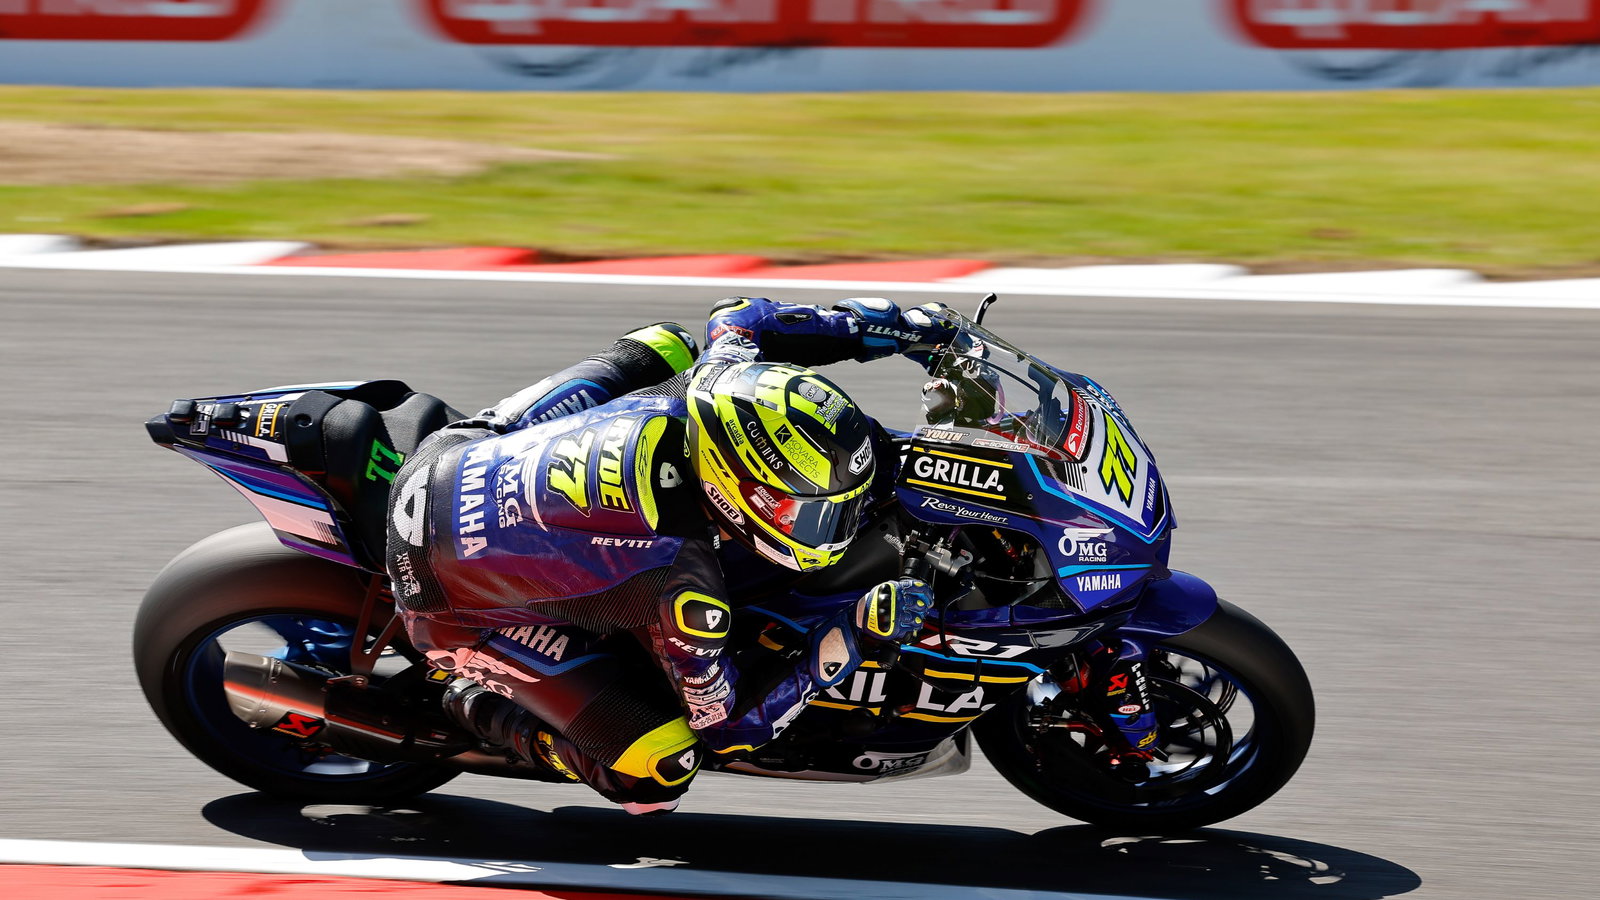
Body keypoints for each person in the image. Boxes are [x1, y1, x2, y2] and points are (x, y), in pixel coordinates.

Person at [386, 296, 956, 814]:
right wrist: (853, 636)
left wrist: (895, 327)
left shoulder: (716, 379)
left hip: (457, 451)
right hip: (442, 596)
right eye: (804, 512)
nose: (826, 527)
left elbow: (740, 314)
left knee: (666, 344)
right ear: (734, 491)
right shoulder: (684, 583)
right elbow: (729, 728)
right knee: (658, 769)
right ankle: (474, 706)